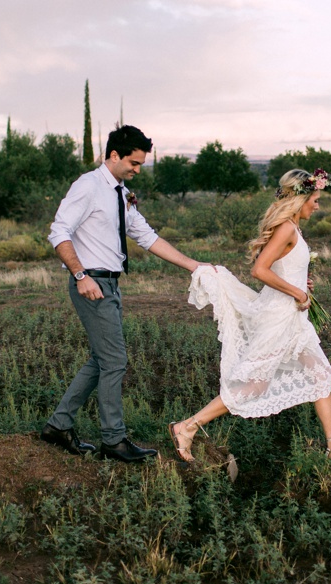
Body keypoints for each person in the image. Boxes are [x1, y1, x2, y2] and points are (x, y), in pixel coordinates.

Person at [42, 125, 210, 463]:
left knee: (101, 359)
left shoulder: (121, 193)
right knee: (115, 360)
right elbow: (59, 231)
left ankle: (59, 426)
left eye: (140, 164)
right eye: (133, 163)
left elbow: (146, 236)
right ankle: (114, 441)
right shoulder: (88, 186)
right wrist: (80, 275)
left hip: (110, 284)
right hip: (91, 284)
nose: (137, 170)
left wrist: (195, 266)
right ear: (114, 155)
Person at [169, 168, 331, 462]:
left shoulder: (295, 229)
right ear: (301, 199)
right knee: (255, 385)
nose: (317, 205)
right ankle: (187, 427)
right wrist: (297, 293)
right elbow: (259, 270)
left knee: (320, 372)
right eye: (316, 199)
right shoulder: (286, 227)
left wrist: (301, 284)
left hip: (294, 319)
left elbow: (281, 268)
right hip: (278, 317)